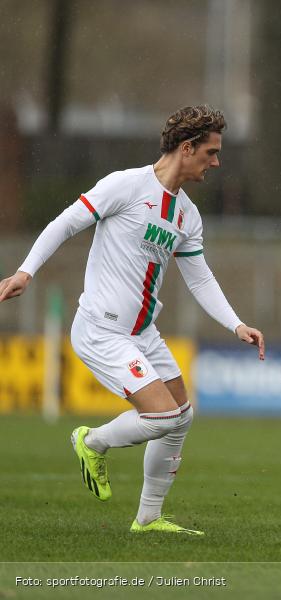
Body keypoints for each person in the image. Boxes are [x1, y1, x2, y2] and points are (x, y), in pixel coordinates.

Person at [0, 105, 265, 535]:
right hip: (102, 329)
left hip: (143, 333)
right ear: (187, 148)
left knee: (181, 415)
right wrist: (26, 271)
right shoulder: (125, 185)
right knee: (162, 417)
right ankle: (91, 441)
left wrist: (236, 324)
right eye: (211, 152)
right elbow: (64, 224)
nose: (216, 162)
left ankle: (148, 518)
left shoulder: (187, 214)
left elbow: (200, 279)